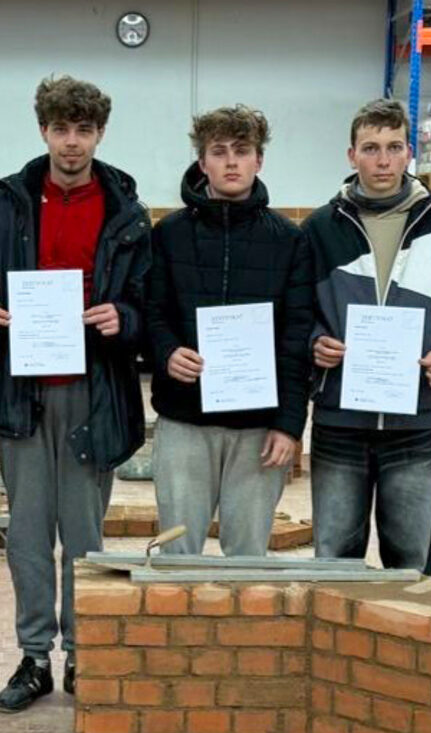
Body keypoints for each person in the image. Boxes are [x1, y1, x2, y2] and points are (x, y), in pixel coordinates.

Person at [0, 75, 149, 712]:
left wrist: (122, 319)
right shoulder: (7, 202)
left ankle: (83, 652)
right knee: (25, 536)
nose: (71, 143)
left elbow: (144, 304)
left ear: (99, 133)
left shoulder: (127, 208)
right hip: (24, 389)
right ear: (42, 129)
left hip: (93, 389)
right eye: (60, 129)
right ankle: (33, 657)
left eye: (83, 130)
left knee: (84, 534)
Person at [300, 98, 431, 574]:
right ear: (351, 155)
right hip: (340, 421)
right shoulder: (321, 228)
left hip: (416, 424)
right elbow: (297, 312)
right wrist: (316, 341)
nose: (382, 160)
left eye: (393, 147)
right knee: (334, 559)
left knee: (410, 563)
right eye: (371, 148)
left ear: (408, 154)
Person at [144, 104, 314, 556]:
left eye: (242, 151)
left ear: (260, 160)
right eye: (219, 152)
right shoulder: (169, 234)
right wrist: (166, 353)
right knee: (178, 557)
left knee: (248, 560)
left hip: (258, 430)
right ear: (203, 163)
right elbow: (152, 312)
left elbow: (297, 337)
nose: (232, 162)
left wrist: (290, 424)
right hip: (184, 420)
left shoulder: (289, 240)